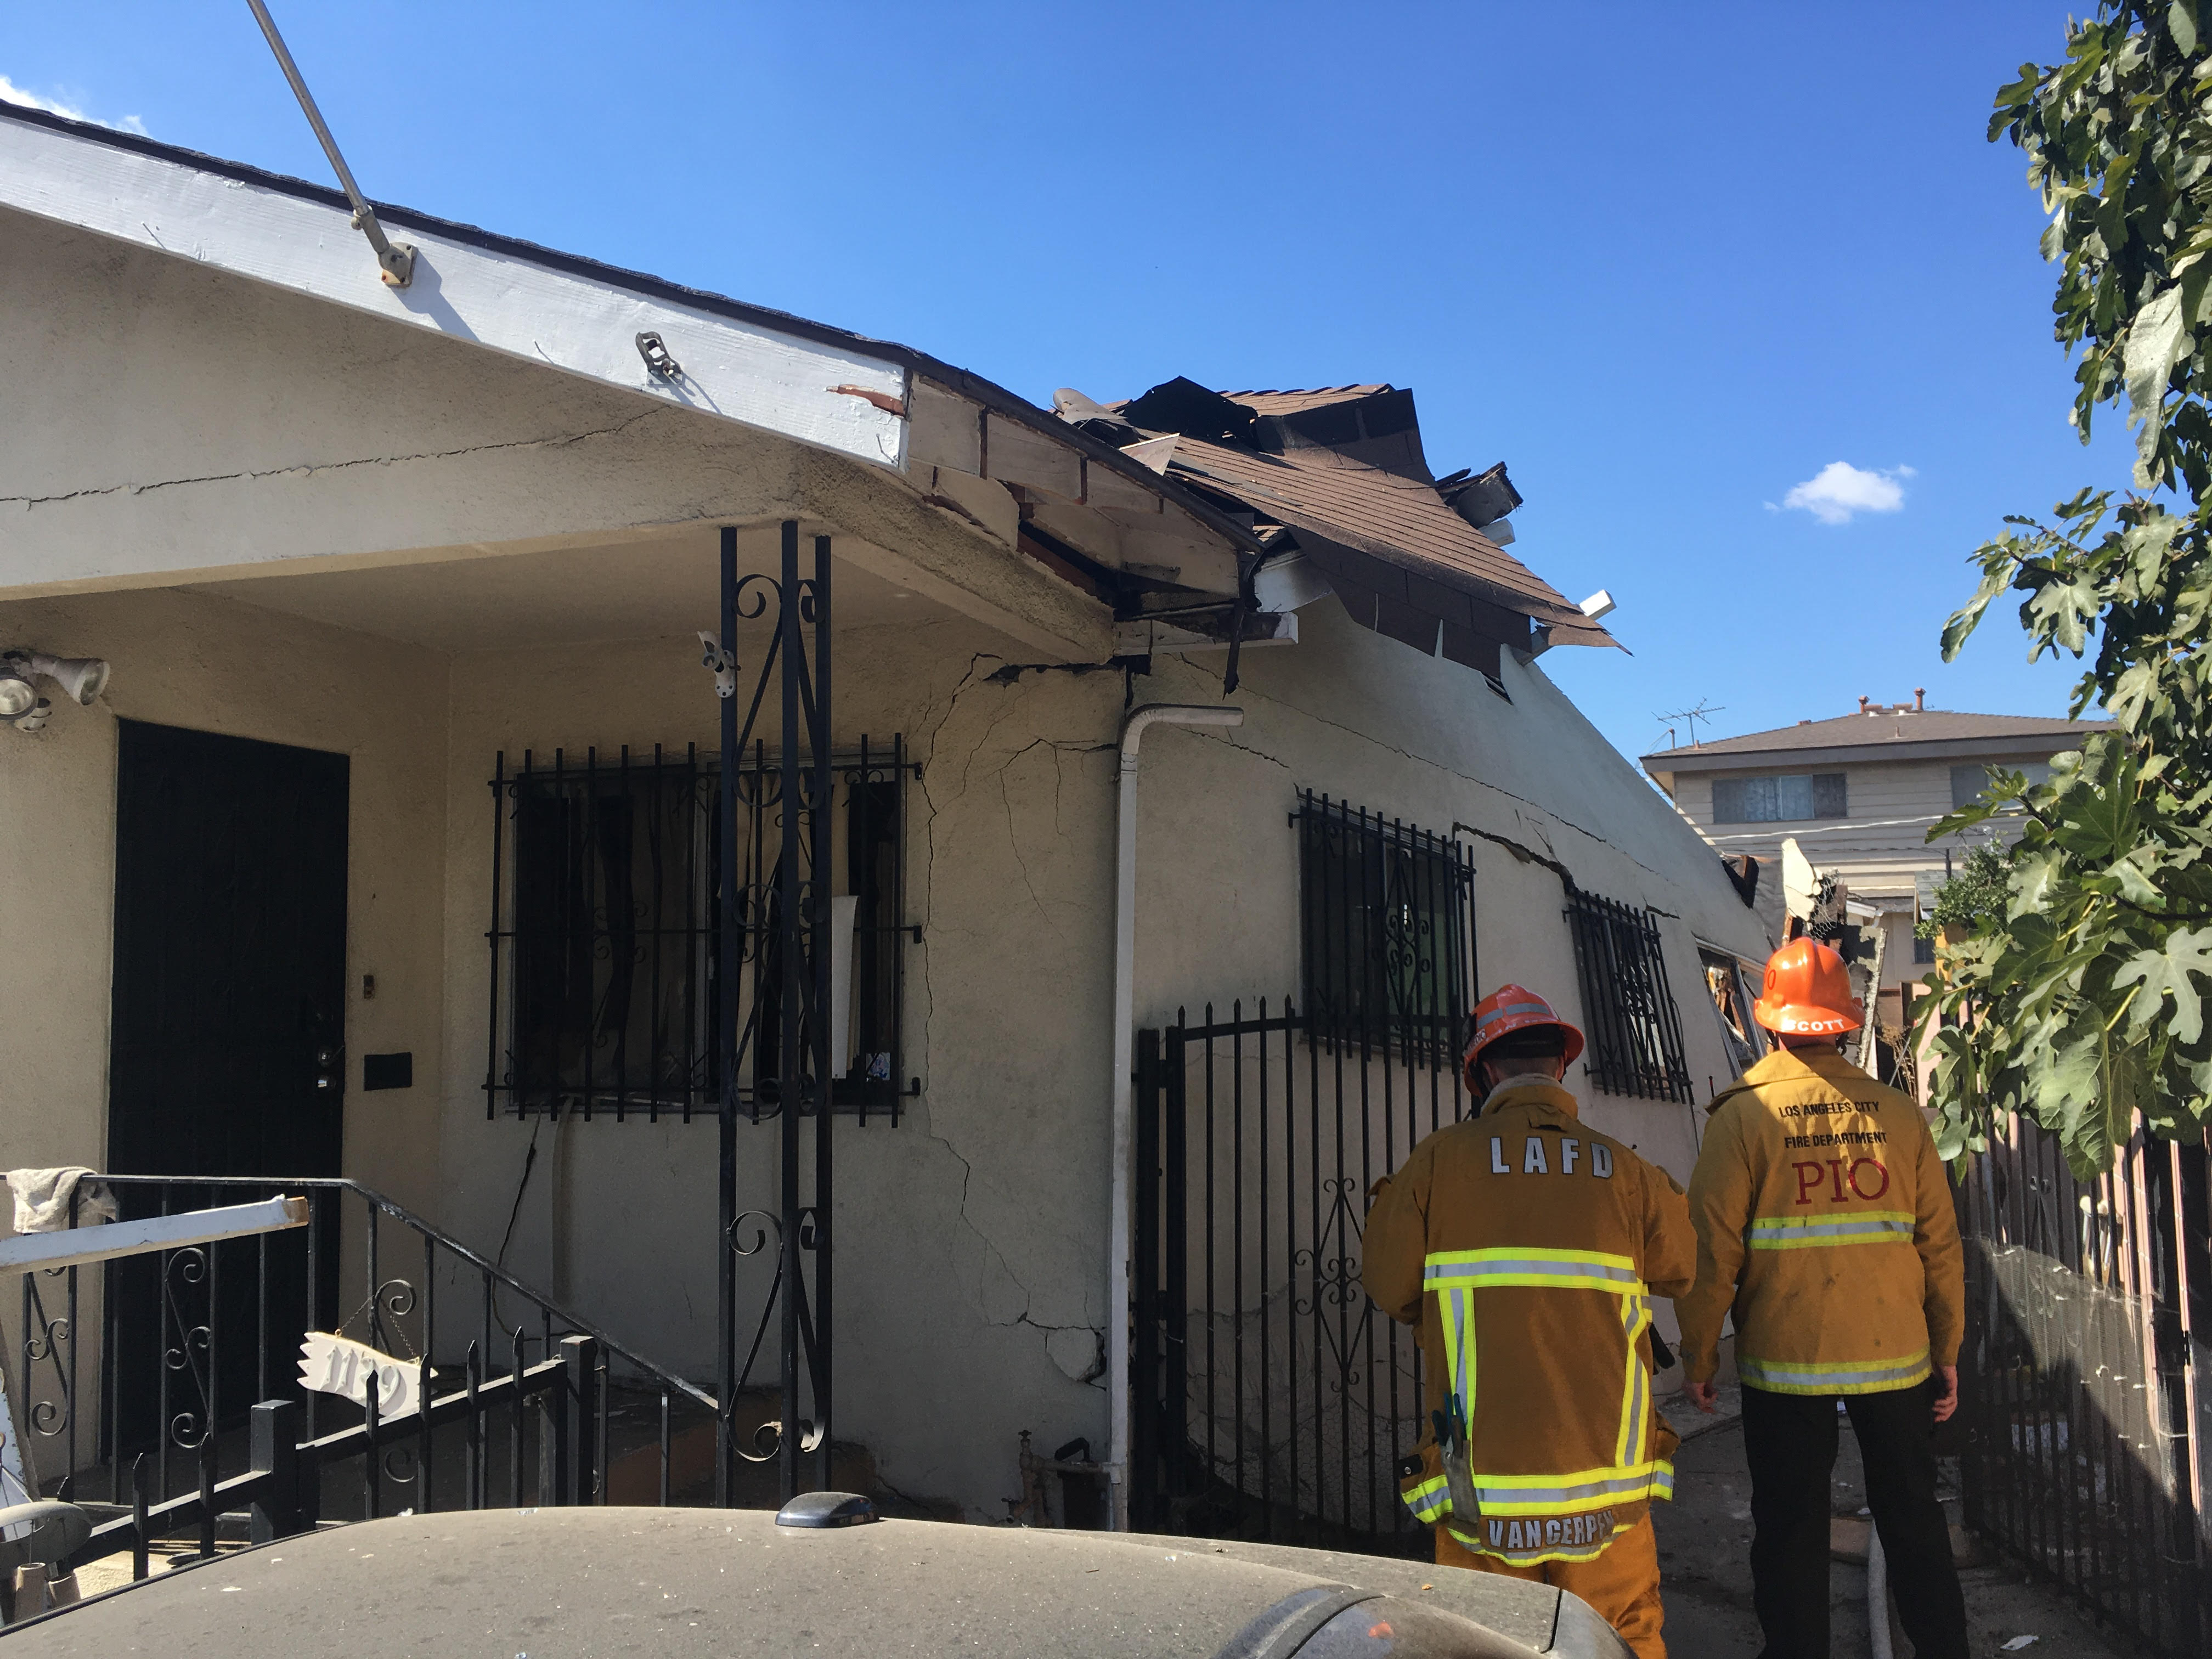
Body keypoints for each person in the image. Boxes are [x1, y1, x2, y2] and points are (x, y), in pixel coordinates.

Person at [1364, 984, 1695, 1659]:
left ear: (1482, 1071)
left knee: (1484, 1640)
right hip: (1608, 1484)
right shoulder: (1626, 1171)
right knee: (1622, 1636)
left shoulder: (1437, 1163)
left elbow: (1391, 1289)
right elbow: (1683, 1267)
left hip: (1480, 1484)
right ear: (1561, 1066)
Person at [1676, 937, 1967, 1659]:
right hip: (1896, 1361)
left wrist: (1700, 1356)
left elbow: (1712, 1254)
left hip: (1785, 1365)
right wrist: (1948, 1350)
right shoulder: (1900, 1117)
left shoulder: (1739, 1119)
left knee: (1790, 1528)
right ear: (1845, 1020)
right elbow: (1939, 1246)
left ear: (1769, 1021)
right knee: (1913, 1521)